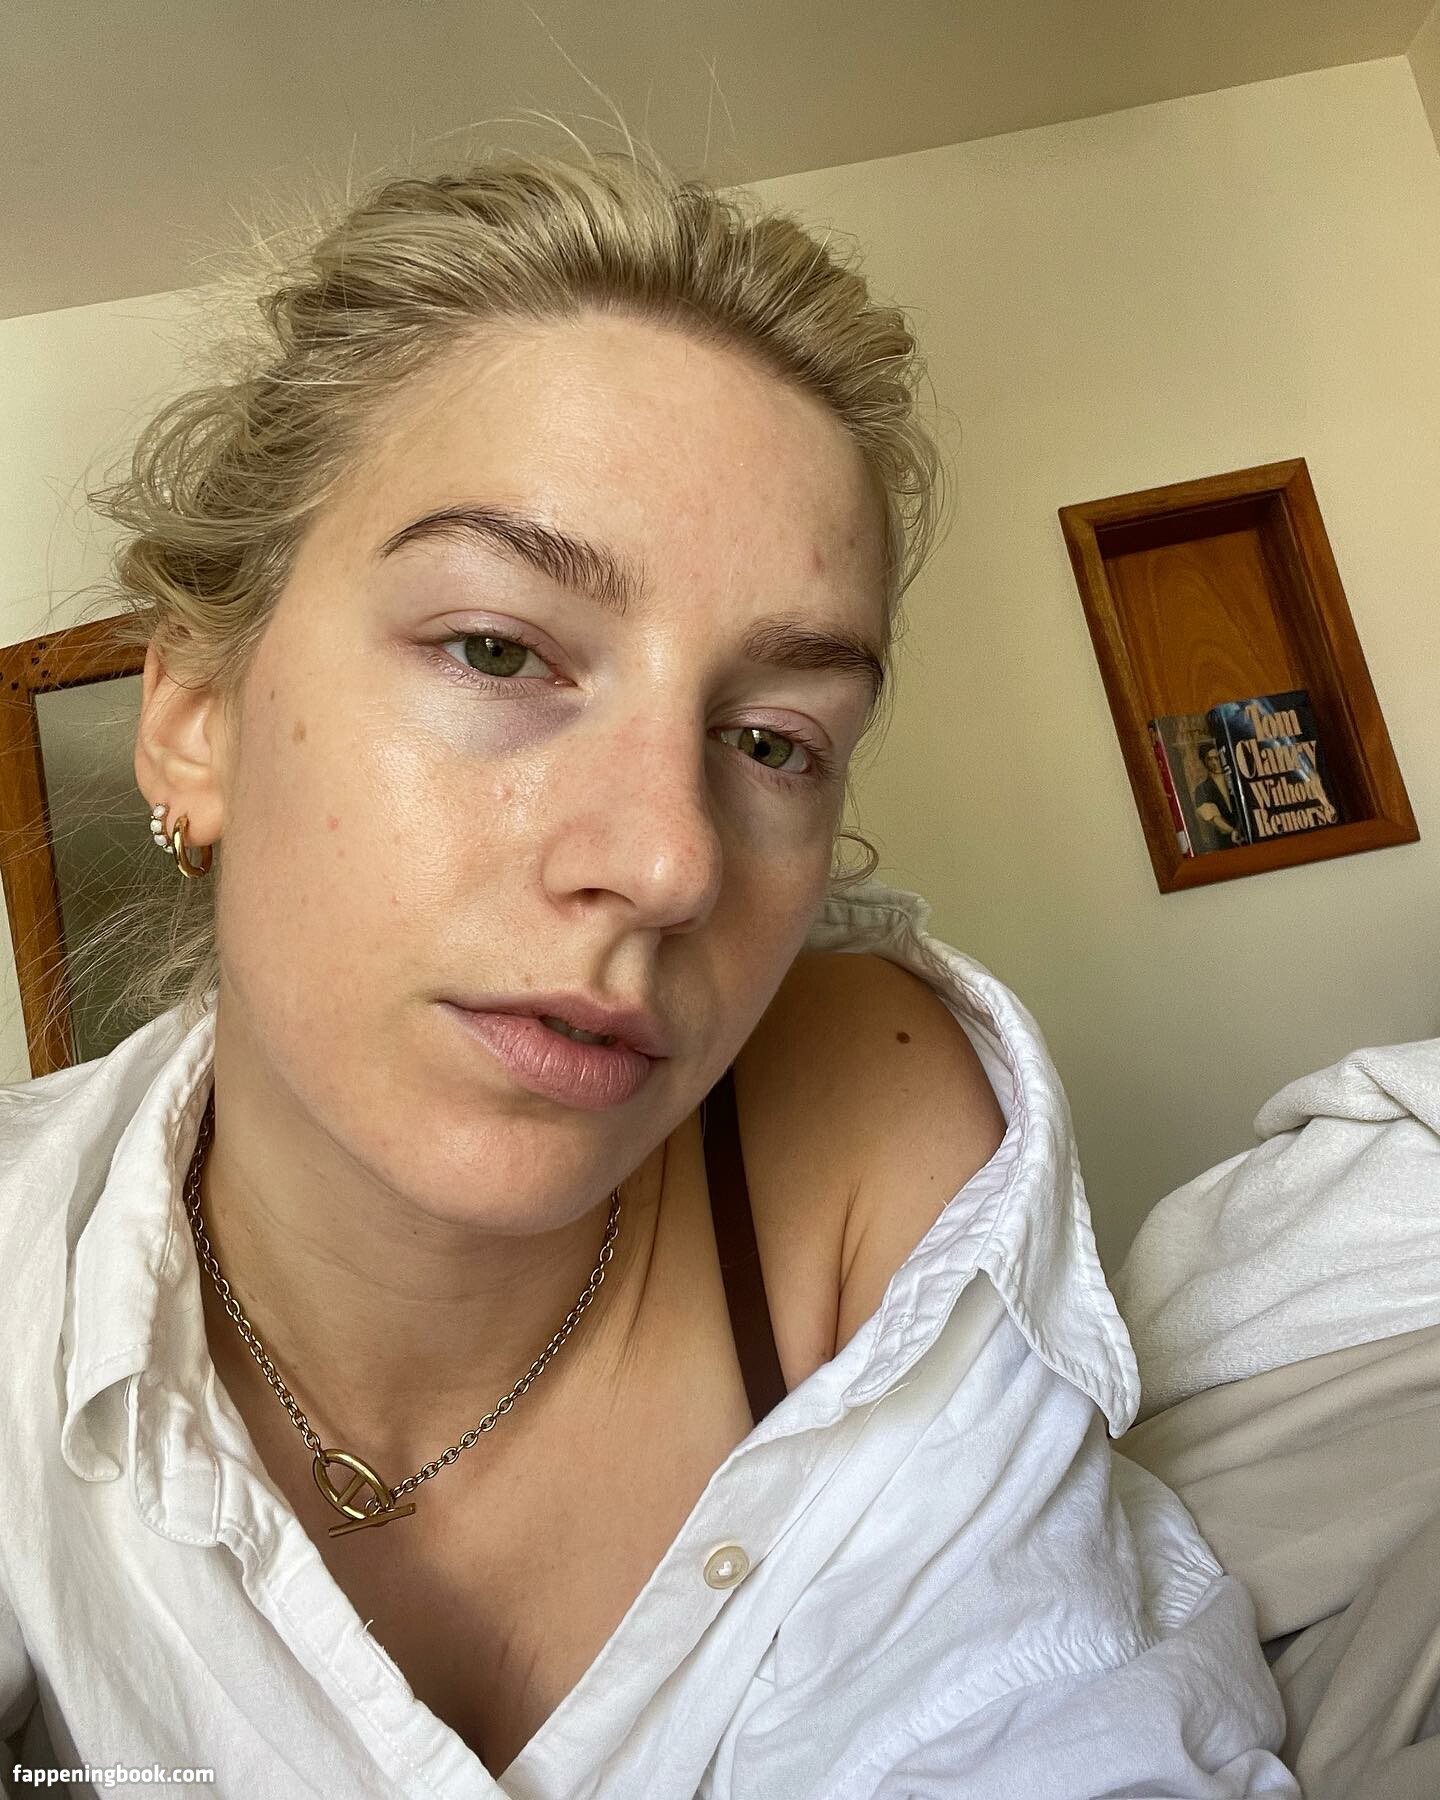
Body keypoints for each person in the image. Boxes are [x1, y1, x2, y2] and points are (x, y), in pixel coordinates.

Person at [0, 131, 1299, 1798]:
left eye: (773, 741)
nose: (675, 863)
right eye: (497, 649)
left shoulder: (873, 1125)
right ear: (195, 722)